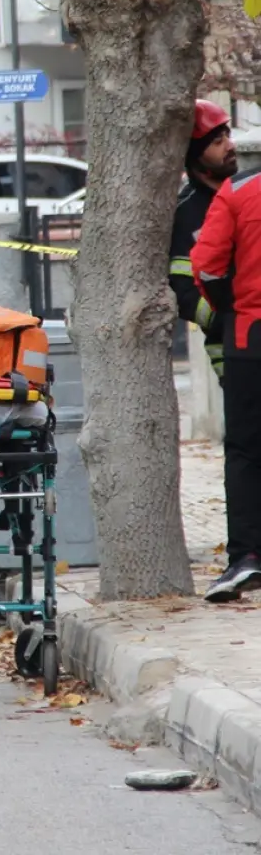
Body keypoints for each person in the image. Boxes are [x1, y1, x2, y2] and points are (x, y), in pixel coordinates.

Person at [190, 160, 261, 603]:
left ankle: (247, 556)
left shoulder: (238, 189)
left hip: (250, 338)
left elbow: (208, 266)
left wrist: (229, 306)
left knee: (246, 451)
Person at [169, 100, 237, 385]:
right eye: (217, 142)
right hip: (232, 351)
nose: (230, 146)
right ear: (196, 158)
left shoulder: (246, 193)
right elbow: (185, 293)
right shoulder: (187, 215)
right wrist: (230, 322)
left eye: (227, 136)